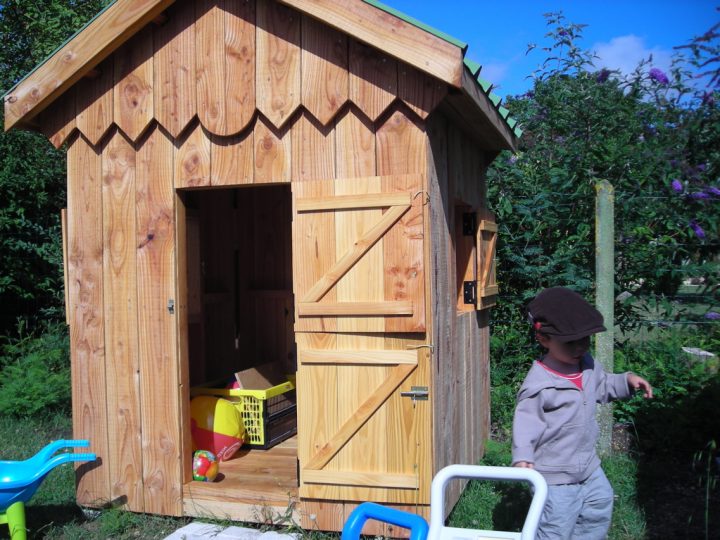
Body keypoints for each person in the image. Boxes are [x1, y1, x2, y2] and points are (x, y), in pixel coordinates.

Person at [512, 287, 653, 540]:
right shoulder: (540, 384)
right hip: (554, 473)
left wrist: (626, 380)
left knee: (599, 506)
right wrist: (523, 456)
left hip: (588, 465)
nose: (580, 347)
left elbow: (602, 386)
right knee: (556, 524)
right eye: (570, 342)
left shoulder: (586, 365)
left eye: (585, 340)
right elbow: (526, 423)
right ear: (544, 339)